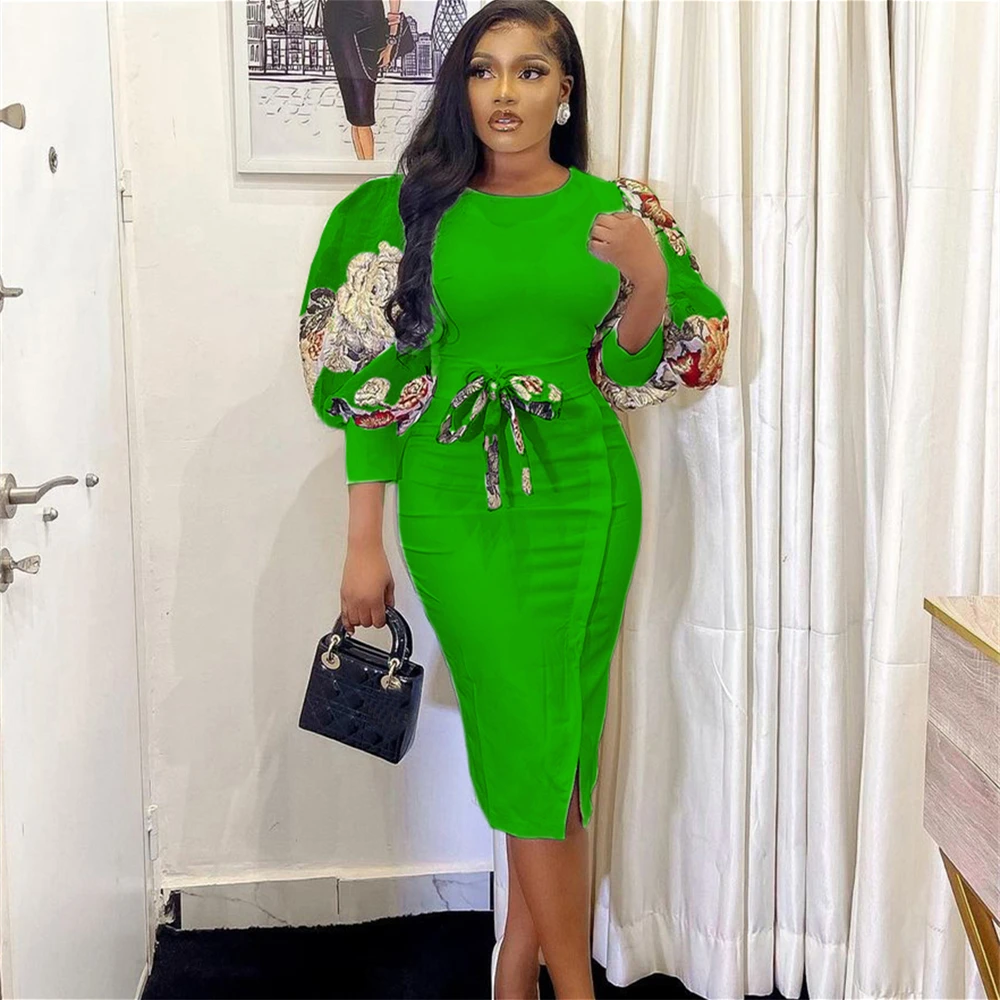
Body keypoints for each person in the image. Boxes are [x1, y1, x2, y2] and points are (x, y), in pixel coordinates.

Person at [297, 2, 729, 996]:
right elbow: (370, 385)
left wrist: (647, 280)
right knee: (529, 725)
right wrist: (363, 542)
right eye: (483, 70)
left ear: (564, 91)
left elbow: (642, 371)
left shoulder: (620, 211)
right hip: (455, 498)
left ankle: (517, 962)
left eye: (531, 71)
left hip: (588, 497)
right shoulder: (402, 212)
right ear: (460, 88)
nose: (504, 92)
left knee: (560, 730)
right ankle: (572, 985)